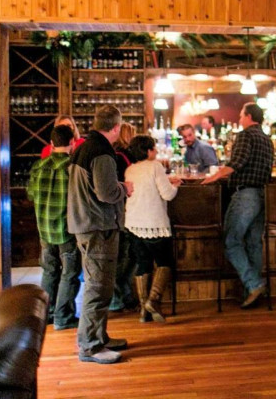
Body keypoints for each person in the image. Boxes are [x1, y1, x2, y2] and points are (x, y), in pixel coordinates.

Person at [68, 104, 133, 364]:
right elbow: (106, 193)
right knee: (98, 287)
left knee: (99, 284)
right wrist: (124, 188)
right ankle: (90, 346)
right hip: (98, 225)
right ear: (116, 127)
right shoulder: (103, 152)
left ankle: (99, 336)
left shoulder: (83, 146)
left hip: (84, 223)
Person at [201, 103, 273, 309]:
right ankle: (251, 292)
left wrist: (213, 177)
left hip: (246, 195)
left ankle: (254, 284)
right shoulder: (267, 139)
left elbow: (237, 163)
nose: (240, 119)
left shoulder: (245, 135)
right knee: (253, 243)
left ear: (249, 116)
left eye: (241, 115)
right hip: (262, 194)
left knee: (231, 241)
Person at [27, 124, 81, 331]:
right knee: (69, 274)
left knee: (49, 271)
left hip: (44, 230)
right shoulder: (72, 168)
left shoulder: (38, 166)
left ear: (51, 144)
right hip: (66, 230)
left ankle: (46, 314)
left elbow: (31, 195)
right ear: (72, 143)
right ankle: (63, 317)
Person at [124, 135, 181, 323]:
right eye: (154, 149)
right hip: (153, 223)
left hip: (133, 223)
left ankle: (143, 309)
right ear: (148, 151)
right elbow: (167, 195)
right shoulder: (155, 166)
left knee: (143, 263)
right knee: (165, 262)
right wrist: (176, 185)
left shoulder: (130, 169)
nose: (156, 152)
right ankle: (153, 301)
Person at [110, 122, 139, 313]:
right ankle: (120, 296)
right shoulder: (124, 157)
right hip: (125, 211)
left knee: (125, 256)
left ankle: (123, 296)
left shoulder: (113, 155)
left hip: (118, 211)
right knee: (126, 256)